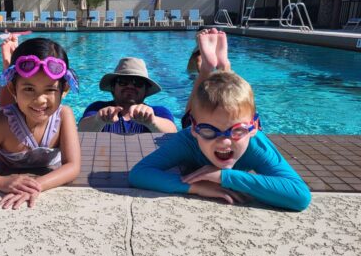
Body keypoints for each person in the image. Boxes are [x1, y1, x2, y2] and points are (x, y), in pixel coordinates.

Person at [129, 29, 311, 211]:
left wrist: (223, 177)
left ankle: (221, 67)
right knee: (202, 109)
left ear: (254, 127)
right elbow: (139, 174)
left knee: (220, 104)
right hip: (197, 127)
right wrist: (197, 187)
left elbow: (299, 196)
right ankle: (210, 67)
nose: (224, 141)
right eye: (209, 131)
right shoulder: (188, 139)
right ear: (195, 129)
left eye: (237, 131)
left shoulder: (255, 143)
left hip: (219, 126)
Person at [0, 37, 81, 210]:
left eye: (50, 89)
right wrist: (3, 182)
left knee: (22, 106)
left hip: (22, 111)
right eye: (29, 89)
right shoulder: (2, 123)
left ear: (64, 90)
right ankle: (7, 64)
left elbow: (73, 166)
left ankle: (10, 65)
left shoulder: (64, 115)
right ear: (13, 89)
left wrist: (36, 185)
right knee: (6, 109)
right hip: (14, 118)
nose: (40, 100)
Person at [78, 57, 177, 134]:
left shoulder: (157, 112)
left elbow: (173, 132)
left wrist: (152, 121)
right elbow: (81, 130)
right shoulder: (98, 109)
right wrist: (98, 120)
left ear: (146, 90)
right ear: (113, 86)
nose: (130, 86)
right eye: (123, 82)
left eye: (138, 82)